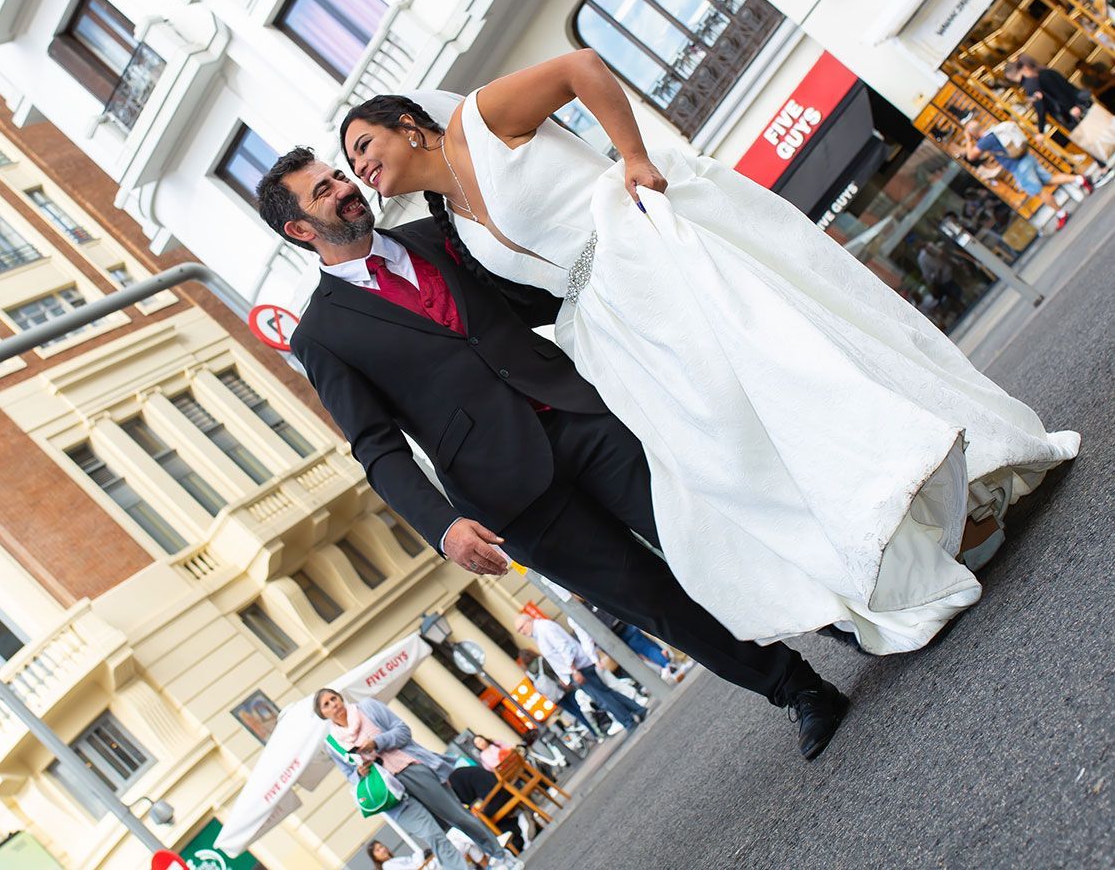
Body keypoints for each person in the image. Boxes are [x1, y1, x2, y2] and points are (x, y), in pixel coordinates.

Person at [326, 51, 1080, 658]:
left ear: (407, 123)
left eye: (362, 146)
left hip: (660, 260)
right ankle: (893, 556)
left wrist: (632, 157)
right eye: (350, 162)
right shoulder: (451, 219)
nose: (359, 167)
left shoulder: (481, 120)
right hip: (617, 326)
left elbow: (580, 68)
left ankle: (949, 499)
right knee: (736, 456)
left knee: (795, 388)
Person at [259, 150, 850, 763]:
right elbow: (376, 448)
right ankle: (796, 687)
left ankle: (844, 619)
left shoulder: (440, 229)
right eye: (322, 191)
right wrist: (443, 528)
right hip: (508, 497)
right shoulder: (321, 335)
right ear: (299, 229)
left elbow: (536, 297)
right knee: (655, 602)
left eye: (337, 176)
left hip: (581, 413)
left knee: (719, 534)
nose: (343, 188)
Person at [314, 689, 521, 870]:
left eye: (334, 698)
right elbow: (350, 775)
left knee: (458, 817)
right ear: (323, 714)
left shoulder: (367, 708)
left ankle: (501, 856)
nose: (333, 704)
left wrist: (376, 743)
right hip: (389, 795)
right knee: (433, 836)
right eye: (326, 704)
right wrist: (360, 772)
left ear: (340, 698)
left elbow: (403, 731)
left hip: (410, 769)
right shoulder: (333, 744)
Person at [516, 613, 647, 733]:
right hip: (576, 669)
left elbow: (565, 648)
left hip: (578, 668)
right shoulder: (539, 632)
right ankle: (637, 710)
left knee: (602, 698)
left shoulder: (544, 628)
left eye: (521, 628)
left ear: (528, 621)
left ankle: (628, 721)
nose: (522, 632)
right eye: (519, 630)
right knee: (604, 693)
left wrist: (574, 671)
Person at [1007, 54, 1115, 165]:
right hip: (1079, 103)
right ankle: (1101, 162)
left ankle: (1101, 163)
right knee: (1100, 128)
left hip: (1070, 111)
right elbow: (1065, 88)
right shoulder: (1046, 72)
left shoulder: (1035, 82)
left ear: (1024, 68)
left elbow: (1049, 101)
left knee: (1087, 137)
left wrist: (1069, 108)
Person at [960, 116, 1090, 202]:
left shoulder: (984, 141)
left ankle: (1060, 213)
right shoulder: (994, 131)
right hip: (1025, 157)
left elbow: (971, 156)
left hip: (1018, 166)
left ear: (973, 133)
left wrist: (968, 139)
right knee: (1049, 179)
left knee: (1039, 191)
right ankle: (1080, 179)